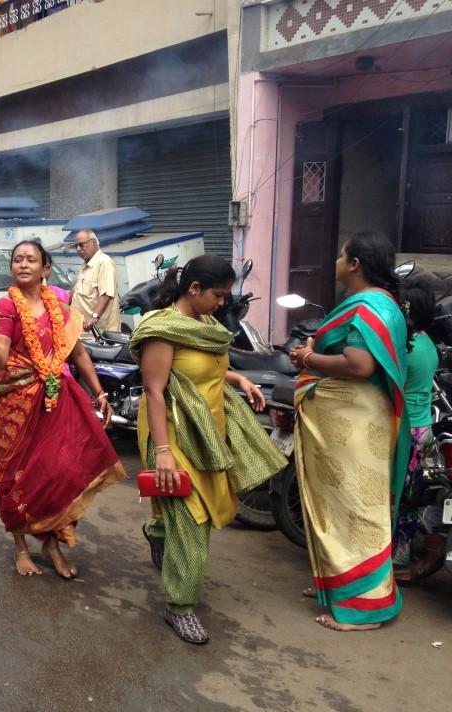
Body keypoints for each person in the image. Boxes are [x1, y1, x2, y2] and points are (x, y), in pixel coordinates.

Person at [130, 254, 285, 645]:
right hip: (174, 435)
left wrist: (238, 380)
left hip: (209, 432)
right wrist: (163, 451)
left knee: (183, 511)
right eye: (218, 295)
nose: (222, 303)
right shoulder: (162, 330)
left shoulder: (207, 325)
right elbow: (155, 389)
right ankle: (179, 607)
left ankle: (157, 530)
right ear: (194, 289)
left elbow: (208, 366)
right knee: (194, 519)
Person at [0, 240, 126, 579]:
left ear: (46, 269)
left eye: (31, 260)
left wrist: (99, 392)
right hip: (13, 407)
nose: (23, 264)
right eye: (17, 260)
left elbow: (79, 355)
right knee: (15, 478)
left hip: (57, 402)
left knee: (63, 472)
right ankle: (21, 546)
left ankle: (52, 542)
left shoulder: (60, 308)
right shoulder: (5, 306)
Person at [288, 231, 409, 633]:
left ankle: (367, 607)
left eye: (342, 255)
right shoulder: (380, 303)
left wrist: (308, 357)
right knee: (340, 504)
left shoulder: (371, 304)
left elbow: (359, 365)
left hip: (354, 423)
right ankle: (341, 584)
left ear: (355, 263)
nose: (337, 261)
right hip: (353, 420)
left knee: (356, 507)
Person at [390, 277, 439, 580]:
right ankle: (399, 556)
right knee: (407, 497)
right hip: (422, 428)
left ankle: (395, 559)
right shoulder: (427, 343)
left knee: (399, 499)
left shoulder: (407, 347)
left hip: (408, 430)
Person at [70, 229, 120, 334]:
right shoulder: (85, 265)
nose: (78, 249)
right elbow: (77, 291)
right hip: (83, 331)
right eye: (76, 246)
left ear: (93, 243)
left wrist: (94, 317)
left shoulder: (104, 262)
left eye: (81, 245)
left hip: (100, 334)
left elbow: (106, 294)